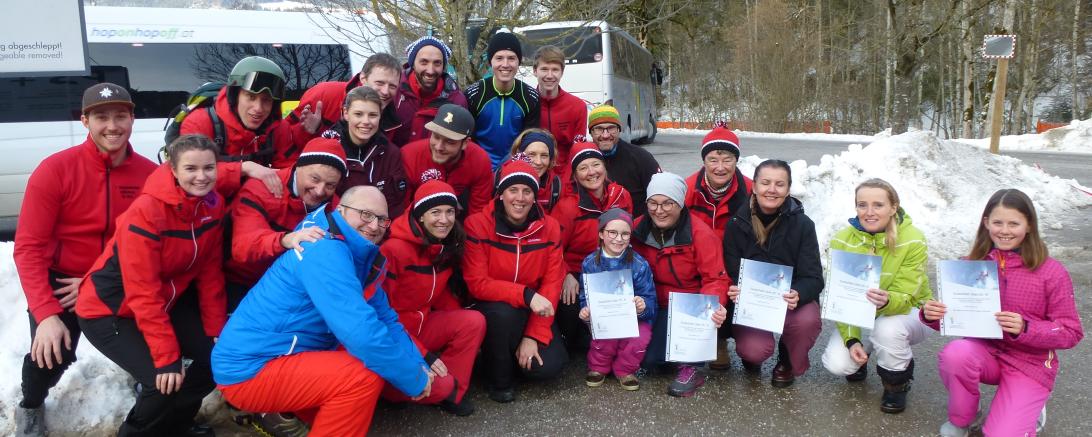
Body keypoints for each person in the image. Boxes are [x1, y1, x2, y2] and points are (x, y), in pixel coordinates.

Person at [212, 185, 428, 436]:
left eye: (382, 219)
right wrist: (413, 379)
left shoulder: (361, 257)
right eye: (365, 214)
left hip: (280, 355)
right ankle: (275, 415)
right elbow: (361, 332)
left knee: (362, 362)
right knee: (362, 376)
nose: (374, 225)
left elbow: (386, 318)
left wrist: (418, 365)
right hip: (250, 368)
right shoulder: (324, 248)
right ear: (342, 210)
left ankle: (295, 419)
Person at [12, 83, 157, 436]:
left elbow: (154, 243)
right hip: (61, 279)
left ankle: (145, 382)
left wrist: (97, 282)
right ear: (85, 121)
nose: (112, 125)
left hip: (117, 277)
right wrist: (46, 314)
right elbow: (28, 247)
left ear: (132, 119)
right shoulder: (55, 170)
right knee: (51, 353)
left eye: (120, 115)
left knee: (156, 344)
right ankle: (30, 404)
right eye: (101, 116)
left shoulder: (149, 175)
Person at [75, 135, 227, 436]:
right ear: (172, 169)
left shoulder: (212, 205)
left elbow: (210, 275)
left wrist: (215, 332)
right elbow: (142, 292)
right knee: (161, 381)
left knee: (218, 359)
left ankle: (175, 424)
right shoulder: (146, 212)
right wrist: (167, 358)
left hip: (161, 302)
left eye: (209, 167)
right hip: (109, 310)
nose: (201, 176)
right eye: (191, 168)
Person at [922, 189, 1083, 437]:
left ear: (1029, 225)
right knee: (956, 354)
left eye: (1014, 223)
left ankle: (1030, 409)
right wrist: (932, 315)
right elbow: (956, 318)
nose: (1004, 230)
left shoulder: (1051, 272)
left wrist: (1026, 327)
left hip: (1030, 362)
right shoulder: (969, 265)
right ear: (986, 223)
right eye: (997, 222)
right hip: (985, 351)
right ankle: (964, 418)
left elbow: (1071, 332)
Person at [821, 178, 932, 414]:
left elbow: (906, 293)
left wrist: (889, 300)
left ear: (894, 207)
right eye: (862, 205)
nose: (869, 212)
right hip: (862, 314)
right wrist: (852, 340)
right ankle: (863, 353)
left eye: (878, 205)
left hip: (907, 311)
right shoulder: (842, 239)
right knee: (838, 364)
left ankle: (896, 381)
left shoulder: (913, 238)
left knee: (887, 330)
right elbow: (841, 299)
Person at [462, 159, 568, 403]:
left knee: (548, 368)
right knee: (503, 315)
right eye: (512, 190)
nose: (519, 198)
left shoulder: (550, 227)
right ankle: (498, 379)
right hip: (493, 306)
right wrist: (526, 295)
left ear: (534, 196)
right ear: (500, 194)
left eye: (527, 191)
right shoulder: (477, 225)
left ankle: (514, 352)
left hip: (532, 308)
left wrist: (533, 336)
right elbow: (477, 283)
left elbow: (552, 283)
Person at [379, 179, 486, 416]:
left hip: (423, 324)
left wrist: (460, 320)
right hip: (396, 335)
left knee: (473, 321)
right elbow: (381, 314)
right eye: (435, 212)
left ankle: (452, 395)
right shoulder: (394, 249)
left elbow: (439, 294)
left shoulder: (444, 244)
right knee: (405, 391)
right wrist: (421, 352)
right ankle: (391, 390)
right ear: (420, 217)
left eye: (450, 212)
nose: (444, 219)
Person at [722, 160, 823, 388]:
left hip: (789, 299)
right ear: (754, 186)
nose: (772, 189)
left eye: (780, 184)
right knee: (754, 351)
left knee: (806, 321)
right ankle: (751, 358)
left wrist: (799, 293)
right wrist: (737, 289)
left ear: (788, 189)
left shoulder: (803, 225)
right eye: (765, 182)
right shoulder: (736, 223)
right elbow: (731, 269)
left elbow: (814, 277)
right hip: (754, 302)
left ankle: (787, 361)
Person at [225, 137, 348, 313]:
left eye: (330, 185)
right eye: (315, 178)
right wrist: (286, 240)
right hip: (240, 282)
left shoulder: (334, 207)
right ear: (298, 166)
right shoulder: (261, 188)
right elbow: (242, 247)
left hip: (289, 287)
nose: (320, 190)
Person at [632, 172, 728, 397]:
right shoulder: (637, 229)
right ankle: (670, 351)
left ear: (681, 203)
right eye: (653, 203)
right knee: (648, 361)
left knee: (659, 357)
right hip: (653, 302)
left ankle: (692, 366)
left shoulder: (701, 234)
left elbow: (715, 278)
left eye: (668, 203)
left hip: (688, 303)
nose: (659, 210)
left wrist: (713, 306)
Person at [552, 141, 633, 352]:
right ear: (575, 175)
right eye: (583, 168)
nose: (591, 172)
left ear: (605, 167)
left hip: (613, 272)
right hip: (578, 274)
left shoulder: (622, 196)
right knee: (573, 316)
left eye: (596, 164)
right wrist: (566, 274)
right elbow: (553, 248)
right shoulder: (568, 207)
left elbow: (628, 236)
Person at [578, 208, 656, 391]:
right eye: (612, 232)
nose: (618, 239)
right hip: (605, 316)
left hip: (635, 318)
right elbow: (585, 294)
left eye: (625, 234)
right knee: (604, 335)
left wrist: (642, 305)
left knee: (641, 338)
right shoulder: (590, 263)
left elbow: (649, 297)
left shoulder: (639, 264)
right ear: (601, 234)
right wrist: (585, 309)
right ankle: (598, 366)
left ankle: (625, 369)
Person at [402, 104, 493, 219]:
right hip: (416, 215)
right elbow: (402, 210)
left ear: (465, 143)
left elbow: (478, 211)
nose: (439, 147)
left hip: (456, 213)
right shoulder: (409, 155)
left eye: (449, 141)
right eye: (436, 136)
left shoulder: (479, 160)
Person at [288, 53, 404, 142]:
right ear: (363, 78)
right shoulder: (325, 94)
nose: (385, 91)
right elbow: (286, 140)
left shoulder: (392, 120)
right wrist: (308, 131)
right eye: (379, 83)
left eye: (392, 86)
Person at [465, 31, 541, 168]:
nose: (505, 64)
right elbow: (467, 139)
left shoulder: (530, 96)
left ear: (519, 61)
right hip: (479, 166)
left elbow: (530, 140)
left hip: (515, 166)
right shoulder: (474, 94)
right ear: (490, 61)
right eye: (499, 58)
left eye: (511, 58)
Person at [332, 86, 409, 216]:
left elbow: (395, 205)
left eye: (373, 115)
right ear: (346, 113)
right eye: (358, 114)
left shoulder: (391, 153)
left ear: (380, 116)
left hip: (378, 229)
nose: (366, 122)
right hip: (338, 228)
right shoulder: (330, 149)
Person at [391, 36, 469, 147]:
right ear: (412, 64)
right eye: (424, 62)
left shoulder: (456, 100)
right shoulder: (394, 91)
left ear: (443, 66)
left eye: (437, 63)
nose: (430, 70)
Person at [587, 105, 660, 216]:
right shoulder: (584, 160)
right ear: (591, 132)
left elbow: (660, 196)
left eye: (611, 128)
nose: (605, 135)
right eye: (599, 129)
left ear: (619, 130)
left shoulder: (641, 158)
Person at [685, 126, 752, 240]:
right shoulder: (686, 189)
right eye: (713, 160)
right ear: (704, 162)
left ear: (736, 161)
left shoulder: (751, 190)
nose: (720, 168)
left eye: (727, 160)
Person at [532, 45, 587, 174]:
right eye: (544, 69)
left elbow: (577, 149)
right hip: (533, 175)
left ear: (562, 72)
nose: (549, 75)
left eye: (555, 70)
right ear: (535, 71)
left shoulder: (577, 106)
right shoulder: (527, 103)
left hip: (566, 176)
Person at [505, 128, 562, 213]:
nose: (538, 162)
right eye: (532, 154)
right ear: (519, 154)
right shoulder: (503, 179)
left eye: (544, 155)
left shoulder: (555, 187)